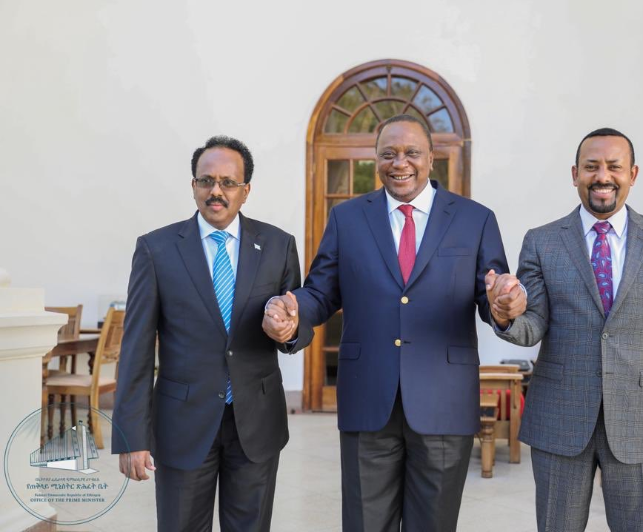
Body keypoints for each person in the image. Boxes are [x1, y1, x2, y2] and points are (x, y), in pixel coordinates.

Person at [265, 114, 519, 531]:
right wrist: (293, 316)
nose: (400, 162)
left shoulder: (475, 219)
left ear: (431, 158)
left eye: (412, 152)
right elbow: (321, 291)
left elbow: (492, 296)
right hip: (369, 398)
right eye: (389, 154)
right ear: (375, 160)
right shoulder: (348, 219)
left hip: (444, 402)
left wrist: (504, 306)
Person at [490, 128, 643, 531]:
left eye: (613, 166)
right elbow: (532, 325)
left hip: (642, 422)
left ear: (633, 174)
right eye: (591, 167)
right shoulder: (542, 242)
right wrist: (505, 314)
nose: (602, 176)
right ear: (575, 174)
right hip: (560, 419)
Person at [112, 135, 311, 531]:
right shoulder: (156, 249)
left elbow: (297, 330)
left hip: (256, 422)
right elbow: (135, 347)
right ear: (193, 186)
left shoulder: (277, 245)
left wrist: (288, 330)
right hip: (181, 422)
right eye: (206, 181)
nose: (215, 191)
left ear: (246, 190)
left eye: (227, 182)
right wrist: (130, 435)